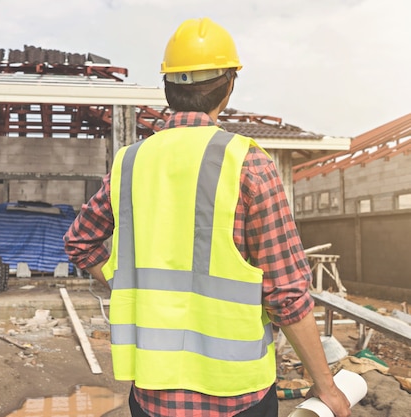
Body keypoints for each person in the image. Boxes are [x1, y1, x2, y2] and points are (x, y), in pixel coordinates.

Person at [63, 17, 351, 417]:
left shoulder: (130, 164)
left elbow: (80, 242)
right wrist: (327, 387)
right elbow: (286, 294)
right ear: (229, 86)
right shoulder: (247, 164)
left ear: (168, 89)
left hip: (152, 396)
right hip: (236, 396)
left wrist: (122, 281)